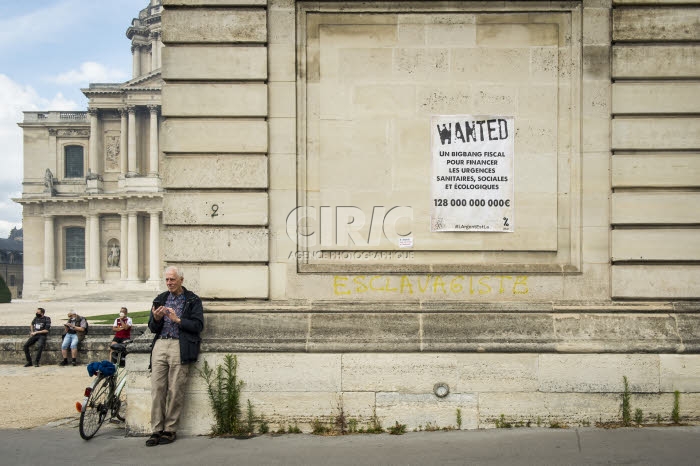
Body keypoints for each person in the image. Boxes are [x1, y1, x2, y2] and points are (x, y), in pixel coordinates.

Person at [146, 266, 204, 447]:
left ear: (181, 280)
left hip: (180, 344)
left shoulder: (192, 299)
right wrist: (155, 319)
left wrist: (178, 320)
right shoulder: (160, 299)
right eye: (167, 280)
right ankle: (156, 429)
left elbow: (198, 325)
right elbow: (152, 327)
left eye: (172, 279)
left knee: (176, 389)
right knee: (157, 388)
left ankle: (170, 429)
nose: (169, 283)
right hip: (161, 344)